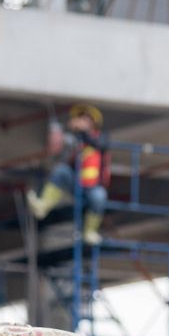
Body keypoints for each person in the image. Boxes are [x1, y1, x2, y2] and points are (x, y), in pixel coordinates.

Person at [26, 103, 111, 245]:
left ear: (92, 122)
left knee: (99, 196)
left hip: (93, 187)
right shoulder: (76, 141)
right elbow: (62, 158)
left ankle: (90, 231)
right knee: (61, 171)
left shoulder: (101, 137)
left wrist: (84, 133)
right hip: (77, 183)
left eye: (85, 119)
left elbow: (99, 144)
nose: (82, 122)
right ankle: (42, 206)